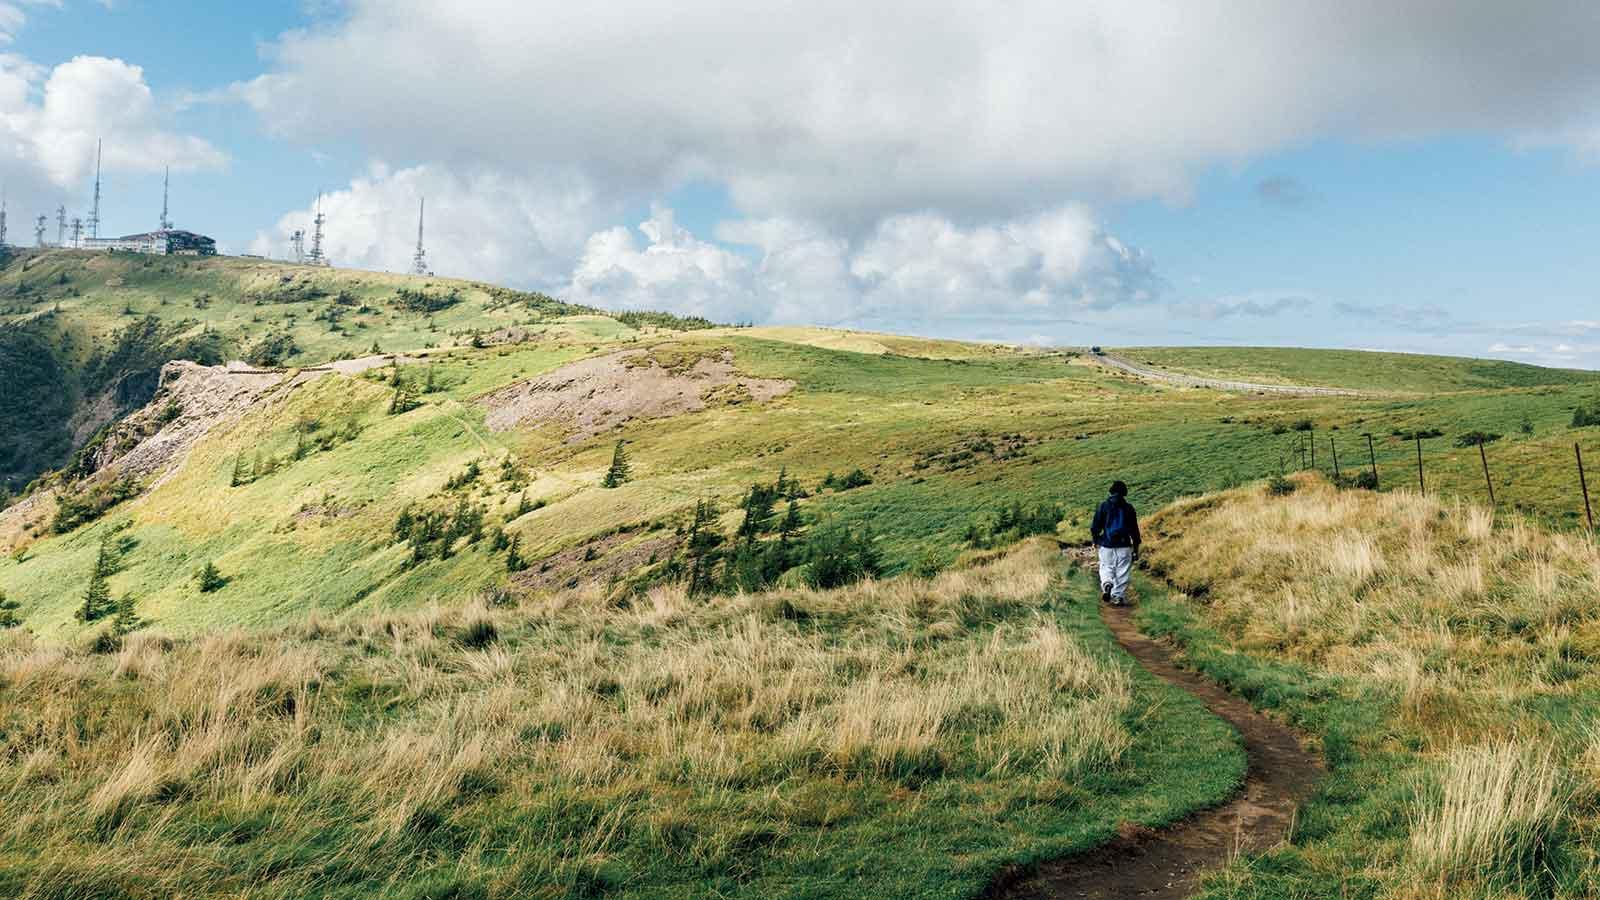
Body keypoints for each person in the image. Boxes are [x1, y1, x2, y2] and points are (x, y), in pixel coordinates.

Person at [1090, 480, 1141, 605]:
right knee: (1122, 571)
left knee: (1106, 567)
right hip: (1124, 546)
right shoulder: (1129, 508)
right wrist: (1135, 549)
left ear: (1111, 491)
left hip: (1107, 544)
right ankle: (1118, 596)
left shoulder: (1103, 506)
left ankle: (1107, 584)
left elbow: (1095, 526)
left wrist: (1096, 540)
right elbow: (1134, 530)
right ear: (1125, 492)